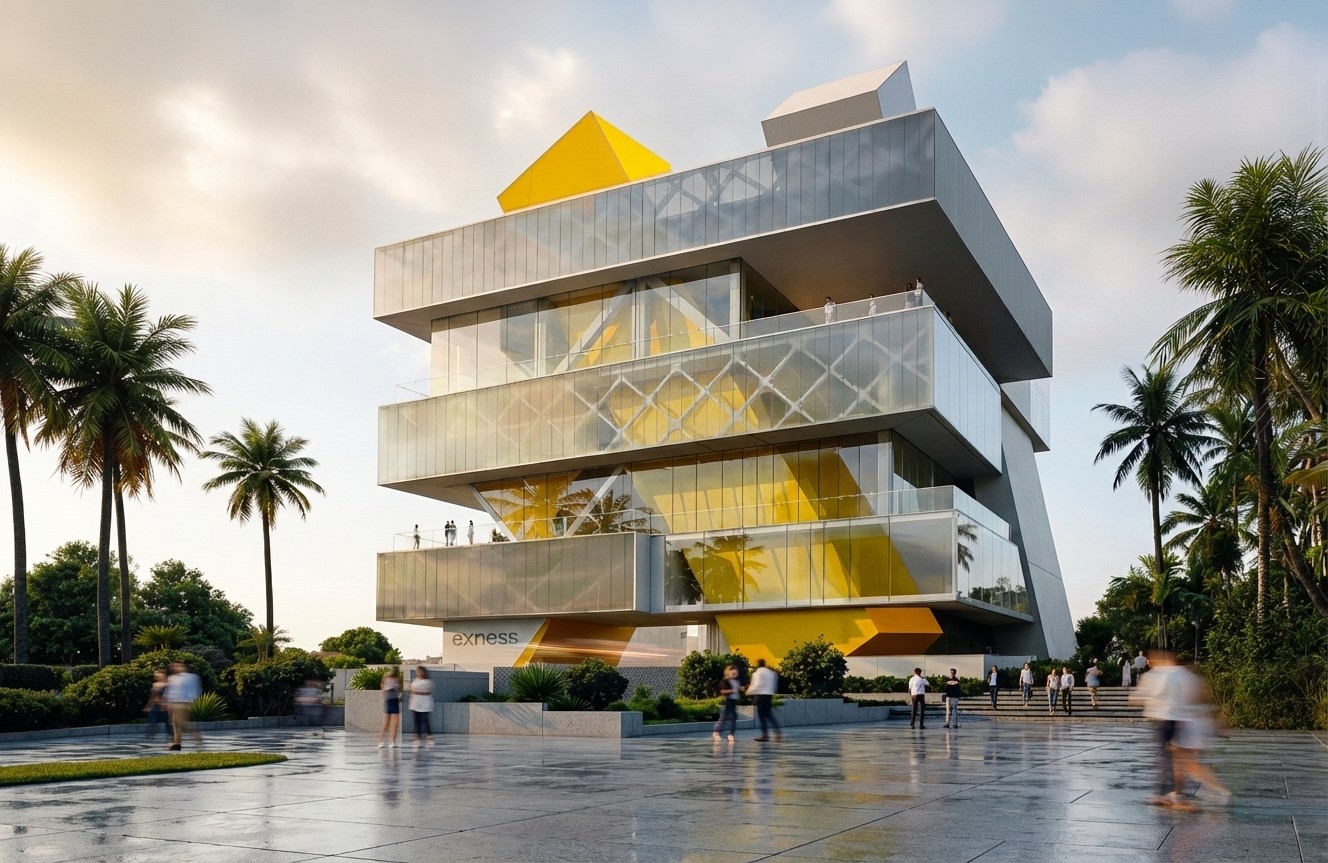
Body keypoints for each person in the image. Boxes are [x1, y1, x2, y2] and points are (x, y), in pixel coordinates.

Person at [164, 661, 201, 751]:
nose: (176, 668)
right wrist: (168, 702)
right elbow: (169, 690)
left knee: (182, 722)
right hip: (174, 703)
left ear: (184, 667)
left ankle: (197, 737)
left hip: (184, 702)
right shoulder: (172, 678)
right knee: (176, 723)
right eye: (175, 666)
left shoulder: (191, 678)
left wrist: (191, 701)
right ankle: (177, 743)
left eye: (178, 666)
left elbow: (195, 690)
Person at [746, 658, 781, 742]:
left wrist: (748, 692)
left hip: (761, 695)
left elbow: (757, 684)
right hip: (769, 695)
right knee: (769, 715)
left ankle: (765, 735)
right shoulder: (771, 673)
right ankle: (777, 733)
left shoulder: (757, 673)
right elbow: (774, 685)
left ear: (758, 664)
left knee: (762, 716)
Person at [712, 664, 741, 742]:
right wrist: (732, 691)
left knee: (733, 718)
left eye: (736, 673)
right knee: (724, 717)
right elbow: (722, 691)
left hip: (734, 702)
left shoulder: (737, 682)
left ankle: (731, 734)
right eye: (733, 672)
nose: (735, 674)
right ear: (728, 673)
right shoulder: (725, 681)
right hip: (728, 701)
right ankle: (716, 732)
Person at [408, 665, 435, 747]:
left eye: (420, 671)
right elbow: (411, 689)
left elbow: (429, 691)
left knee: (425, 720)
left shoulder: (428, 681)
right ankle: (417, 736)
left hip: (425, 703)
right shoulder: (415, 681)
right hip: (415, 703)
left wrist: (417, 692)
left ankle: (429, 736)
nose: (418, 673)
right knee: (416, 720)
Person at [144, 669, 171, 740]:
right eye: (156, 676)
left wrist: (166, 704)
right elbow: (152, 696)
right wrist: (149, 705)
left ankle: (171, 734)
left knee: (167, 721)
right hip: (156, 704)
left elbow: (168, 695)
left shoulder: (167, 684)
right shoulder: (155, 685)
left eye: (158, 675)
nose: (157, 677)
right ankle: (150, 734)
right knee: (151, 718)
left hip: (165, 705)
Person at [378, 667, 402, 748]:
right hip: (388, 700)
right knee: (386, 723)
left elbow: (399, 689)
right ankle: (381, 741)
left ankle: (392, 742)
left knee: (394, 724)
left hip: (394, 700)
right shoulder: (387, 679)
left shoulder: (397, 679)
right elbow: (383, 689)